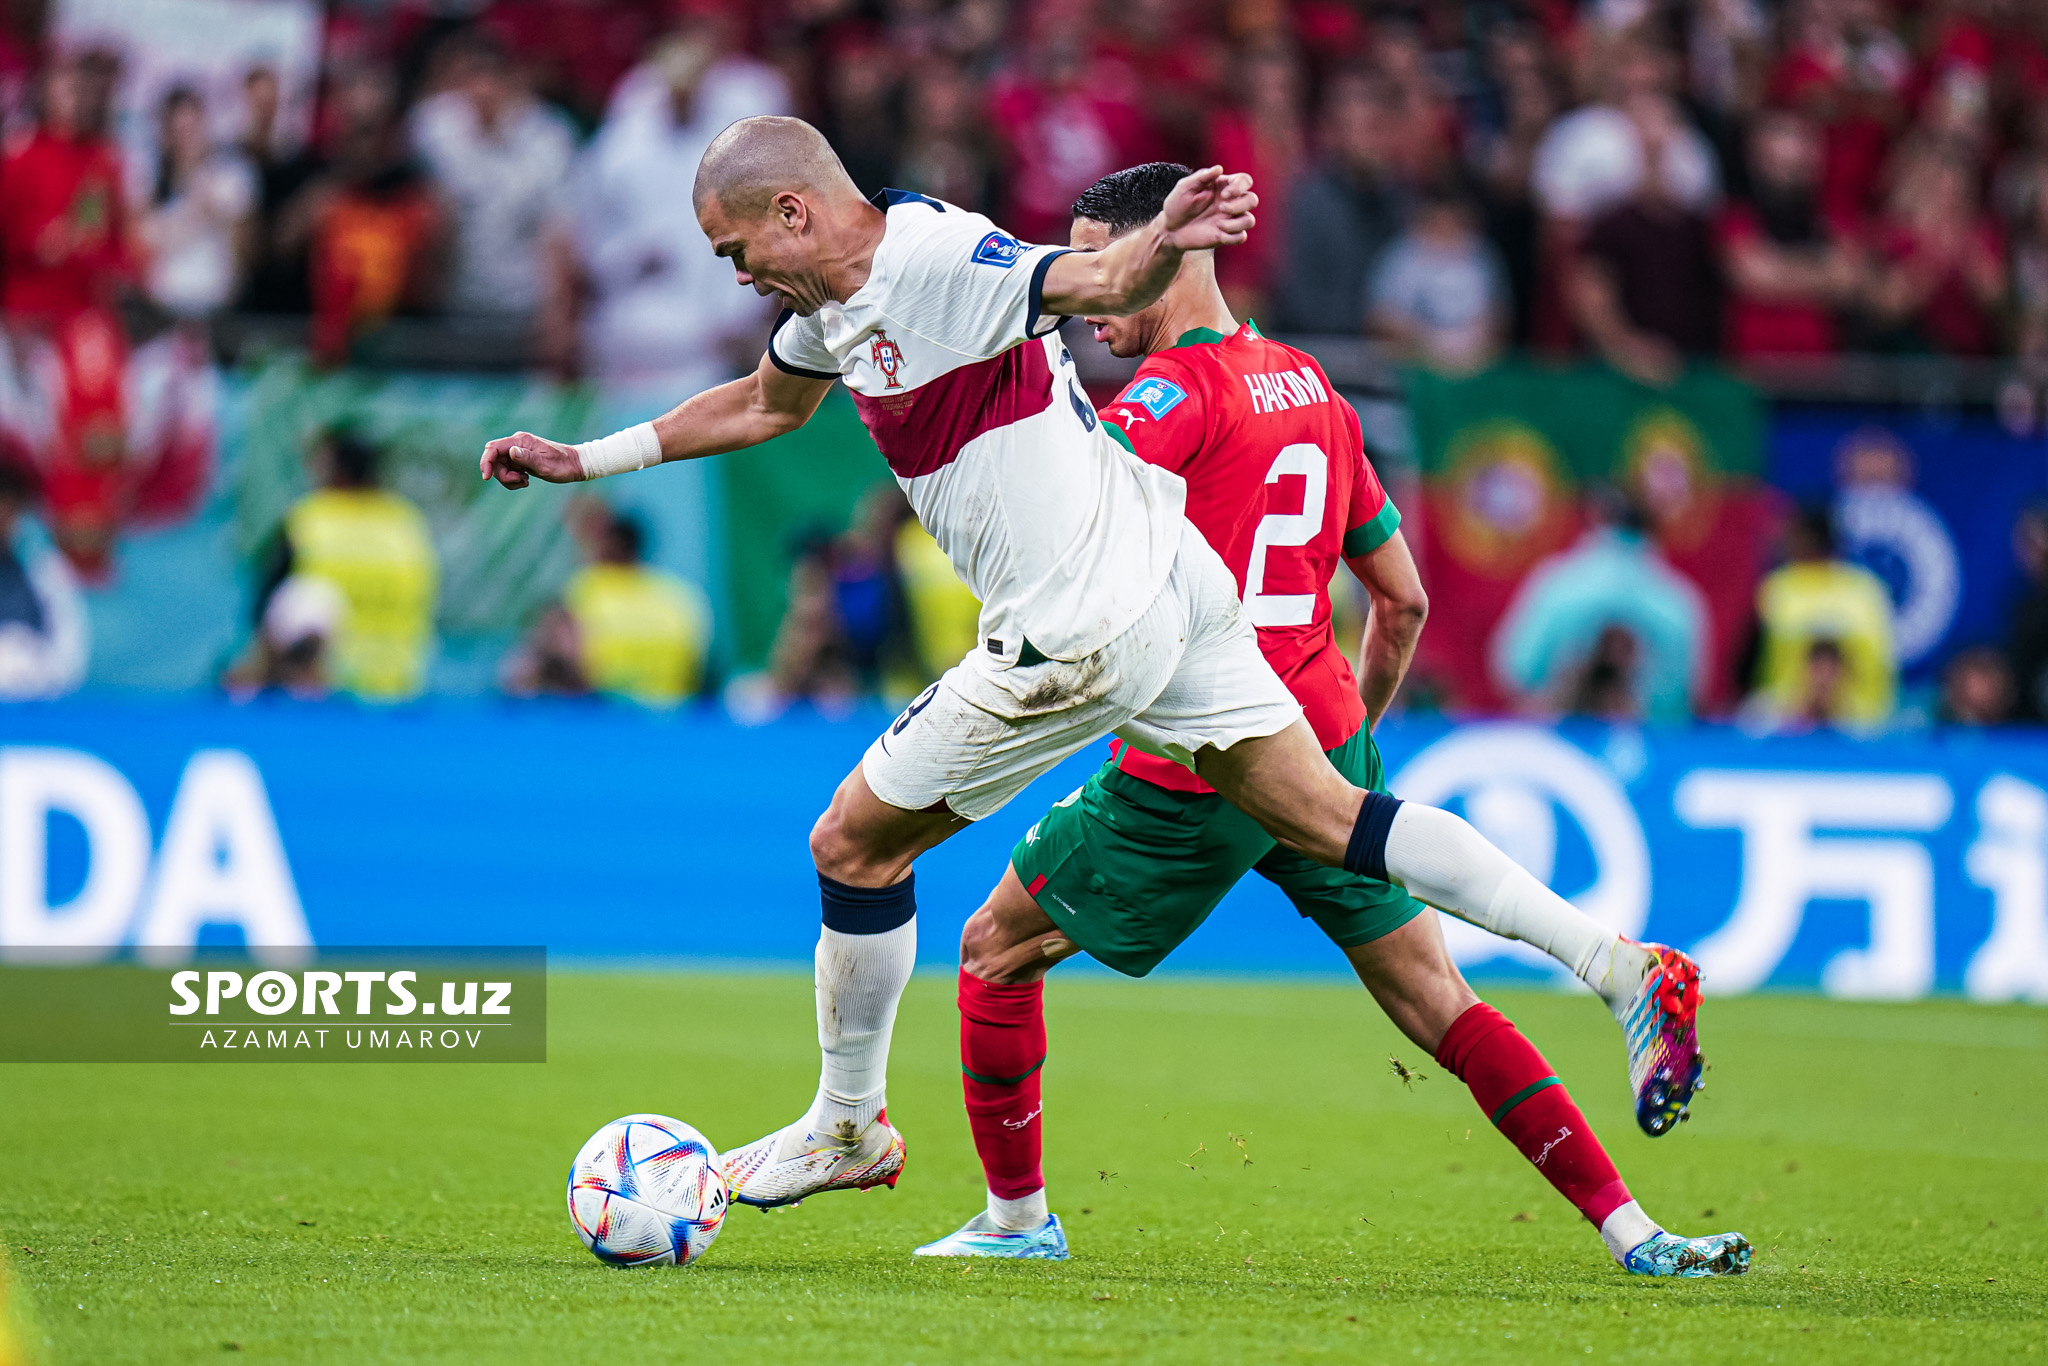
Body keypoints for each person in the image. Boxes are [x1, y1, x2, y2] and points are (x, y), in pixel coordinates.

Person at [476, 122, 1723, 1281]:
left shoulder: (935, 253)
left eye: (737, 249)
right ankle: (1615, 966)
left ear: (793, 212)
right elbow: (758, 401)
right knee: (1331, 813)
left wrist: (1159, 241)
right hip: (1172, 581)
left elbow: (1086, 288)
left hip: (1073, 625)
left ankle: (849, 1126)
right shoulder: (830, 305)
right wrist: (583, 456)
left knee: (851, 843)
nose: (736, 273)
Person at [907, 164, 1741, 1275]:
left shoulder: (1163, 400)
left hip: (1198, 763)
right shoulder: (1311, 386)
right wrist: (1338, 741)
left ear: (1170, 254)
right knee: (1437, 1001)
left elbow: (1077, 547)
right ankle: (1637, 1230)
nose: (1088, 303)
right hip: (1321, 726)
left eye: (1106, 271)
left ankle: (1016, 1221)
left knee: (993, 949)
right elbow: (1400, 599)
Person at [1491, 485, 1707, 723]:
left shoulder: (1556, 584)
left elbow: (1515, 670)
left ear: (1595, 520)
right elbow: (1690, 693)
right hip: (1653, 744)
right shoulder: (1678, 599)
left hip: (1560, 740)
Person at [409, 28, 577, 324]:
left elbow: (557, 231)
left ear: (511, 81)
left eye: (491, 78)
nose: (482, 90)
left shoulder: (548, 138)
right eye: (471, 79)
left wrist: (558, 316)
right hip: (454, 304)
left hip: (523, 304)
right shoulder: (433, 128)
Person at [266, 429, 438, 701]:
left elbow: (267, 611)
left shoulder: (309, 520)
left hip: (322, 692)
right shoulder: (407, 524)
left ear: (337, 470)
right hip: (398, 689)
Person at [1748, 505, 1895, 727]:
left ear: (1806, 539)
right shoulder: (1868, 590)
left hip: (1854, 727)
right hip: (1798, 722)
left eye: (1790, 536)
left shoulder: (1778, 590)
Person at [1366, 180, 1510, 373]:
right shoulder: (1401, 256)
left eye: (1453, 223)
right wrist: (1429, 340)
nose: (1446, 230)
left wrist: (1462, 344)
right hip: (1410, 371)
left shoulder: (1481, 256)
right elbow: (1379, 317)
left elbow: (1499, 319)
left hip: (1472, 372)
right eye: (1438, 223)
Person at [0, 462, 86, 698]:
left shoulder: (43, 567)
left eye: (8, 511)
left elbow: (69, 650)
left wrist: (31, 674)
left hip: (31, 699)